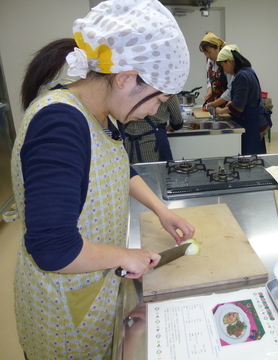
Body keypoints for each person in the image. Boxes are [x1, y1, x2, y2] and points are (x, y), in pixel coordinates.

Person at [10, 1, 195, 359]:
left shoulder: (99, 113)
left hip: (94, 286)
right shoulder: (60, 125)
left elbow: (114, 168)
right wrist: (127, 255)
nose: (156, 110)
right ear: (125, 78)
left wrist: (161, 211)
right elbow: (52, 248)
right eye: (159, 99)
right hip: (64, 304)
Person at [215, 45, 272, 155]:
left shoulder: (241, 76)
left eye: (223, 66)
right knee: (256, 155)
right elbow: (248, 98)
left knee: (249, 157)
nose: (225, 71)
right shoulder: (249, 71)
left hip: (250, 123)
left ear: (229, 61)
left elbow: (238, 106)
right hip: (254, 120)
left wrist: (220, 111)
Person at [124, 95, 183, 162]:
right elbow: (177, 123)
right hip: (154, 145)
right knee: (158, 171)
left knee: (130, 171)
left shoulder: (128, 89)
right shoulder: (167, 91)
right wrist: (167, 127)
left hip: (127, 144)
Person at [199, 32, 233, 108]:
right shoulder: (210, 61)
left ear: (217, 47)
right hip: (216, 103)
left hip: (227, 105)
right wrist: (210, 90)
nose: (208, 56)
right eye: (205, 53)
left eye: (209, 52)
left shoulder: (227, 61)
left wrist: (216, 103)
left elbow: (231, 89)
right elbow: (210, 79)